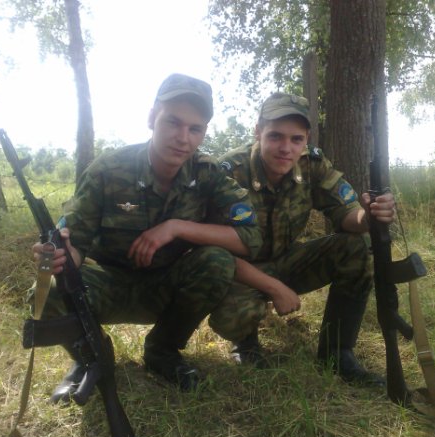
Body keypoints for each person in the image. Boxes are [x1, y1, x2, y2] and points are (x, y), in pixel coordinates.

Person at [31, 73, 262, 401]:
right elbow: (76, 245)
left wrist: (177, 227)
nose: (183, 138)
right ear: (152, 117)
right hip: (109, 284)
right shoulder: (108, 170)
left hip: (166, 287)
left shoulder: (208, 174)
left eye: (195, 129)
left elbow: (250, 237)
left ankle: (163, 351)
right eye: (173, 122)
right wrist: (61, 257)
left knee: (217, 261)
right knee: (50, 290)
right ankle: (91, 357)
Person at [208, 92, 396, 385]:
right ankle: (245, 343)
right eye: (275, 136)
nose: (286, 148)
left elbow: (347, 214)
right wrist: (273, 288)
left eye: (296, 139)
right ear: (258, 132)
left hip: (285, 259)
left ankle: (337, 352)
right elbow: (211, 253)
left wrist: (369, 216)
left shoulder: (313, 165)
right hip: (238, 272)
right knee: (234, 314)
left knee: (356, 247)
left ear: (306, 139)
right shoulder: (229, 173)